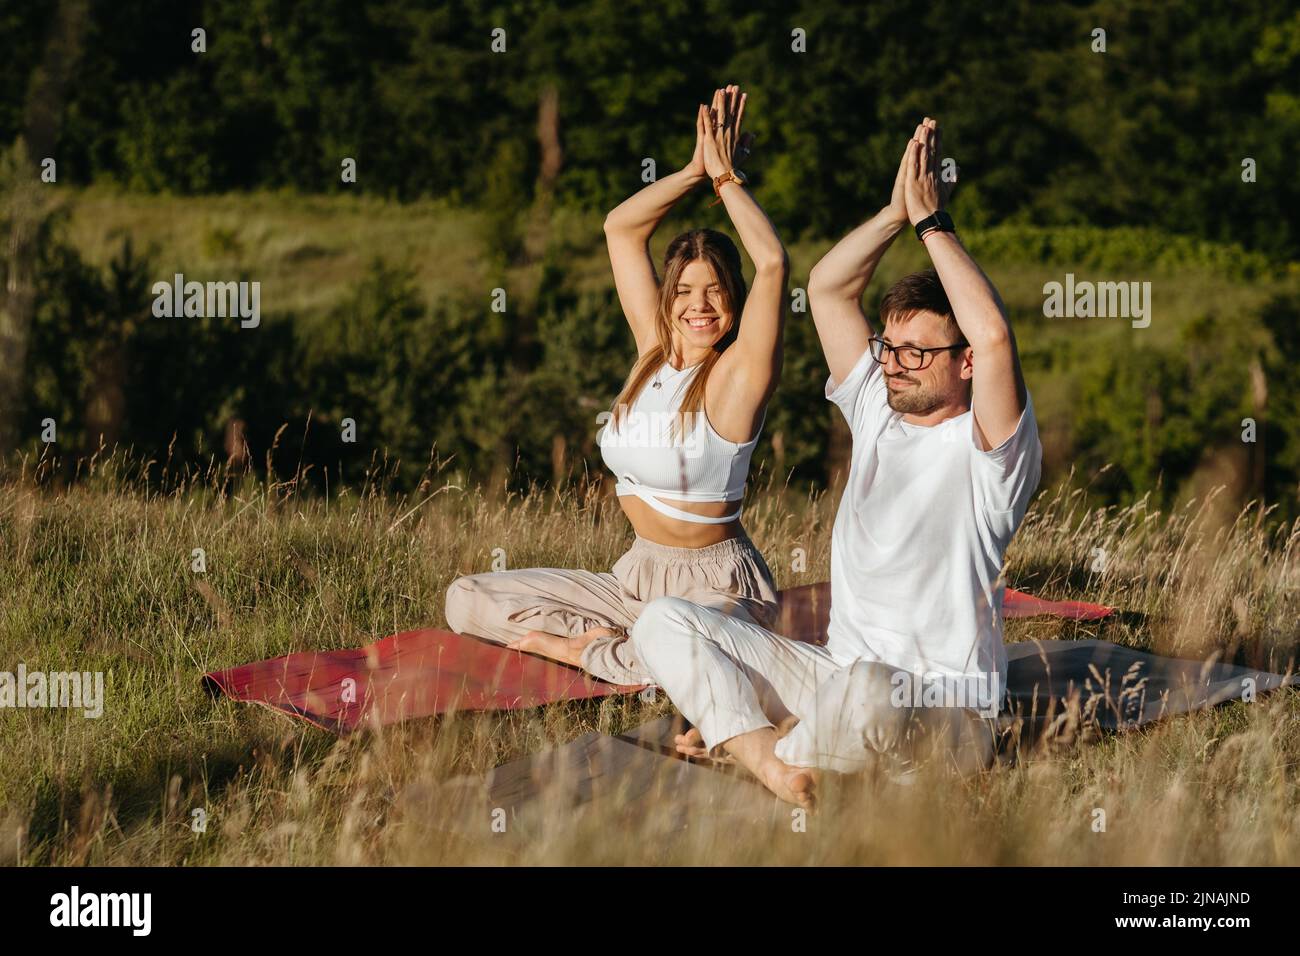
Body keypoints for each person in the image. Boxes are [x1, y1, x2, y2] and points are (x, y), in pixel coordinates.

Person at [628, 118, 1042, 806]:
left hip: (944, 710)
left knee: (874, 692)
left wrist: (934, 223)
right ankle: (772, 761)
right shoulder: (878, 408)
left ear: (965, 365)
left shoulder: (992, 453)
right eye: (890, 346)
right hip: (836, 674)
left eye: (917, 353)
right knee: (663, 620)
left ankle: (748, 738)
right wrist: (894, 212)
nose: (895, 364)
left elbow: (995, 333)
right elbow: (825, 289)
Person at [445, 85, 790, 685]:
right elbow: (621, 229)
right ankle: (624, 648)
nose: (698, 306)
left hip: (717, 585)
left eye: (715, 290)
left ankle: (583, 652)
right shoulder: (652, 355)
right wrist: (692, 170)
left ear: (735, 296)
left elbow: (774, 263)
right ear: (667, 298)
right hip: (633, 576)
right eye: (683, 290)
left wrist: (727, 180)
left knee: (690, 651)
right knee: (465, 597)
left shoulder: (741, 374)